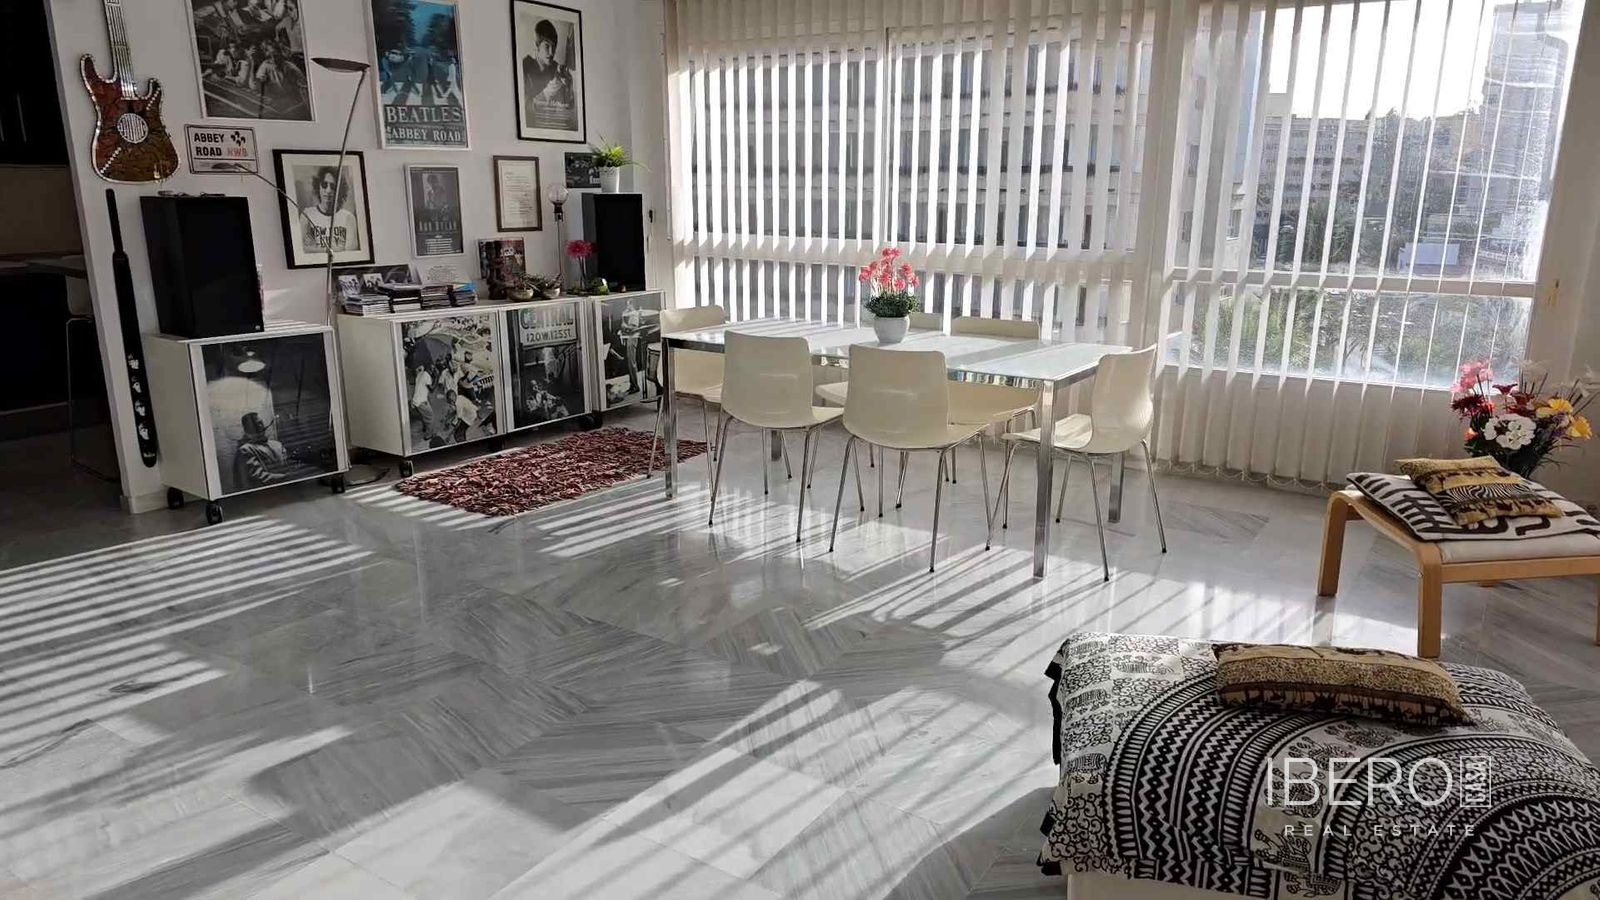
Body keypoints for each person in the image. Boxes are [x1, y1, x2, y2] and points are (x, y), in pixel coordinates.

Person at [521, 19, 574, 126]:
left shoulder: (556, 68)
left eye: (554, 46)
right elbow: (524, 110)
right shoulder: (524, 68)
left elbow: (569, 107)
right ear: (536, 45)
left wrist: (569, 87)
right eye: (547, 46)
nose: (551, 52)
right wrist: (546, 92)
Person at [300, 166, 360, 253]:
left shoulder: (348, 218)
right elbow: (303, 250)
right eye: (324, 185)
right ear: (318, 187)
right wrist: (333, 249)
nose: (328, 190)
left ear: (339, 190)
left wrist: (316, 249)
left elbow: (350, 253)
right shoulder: (307, 215)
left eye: (333, 186)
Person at [233, 412, 293, 489]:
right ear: (246, 429)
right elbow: (258, 478)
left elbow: (289, 464)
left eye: (260, 423)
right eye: (254, 424)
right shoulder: (245, 449)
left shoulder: (277, 444)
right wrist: (287, 477)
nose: (260, 426)